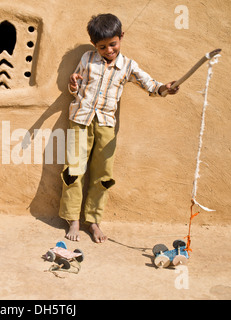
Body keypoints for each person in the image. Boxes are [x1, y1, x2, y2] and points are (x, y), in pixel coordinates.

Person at [59, 13, 179, 243]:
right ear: (95, 45)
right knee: (73, 170)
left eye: (113, 44)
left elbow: (151, 85)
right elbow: (75, 87)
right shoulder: (87, 59)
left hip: (106, 125)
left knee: (103, 174)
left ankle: (93, 220)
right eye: (102, 47)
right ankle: (72, 219)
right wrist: (73, 84)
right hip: (79, 120)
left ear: (121, 37)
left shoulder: (128, 66)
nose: (109, 50)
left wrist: (165, 88)